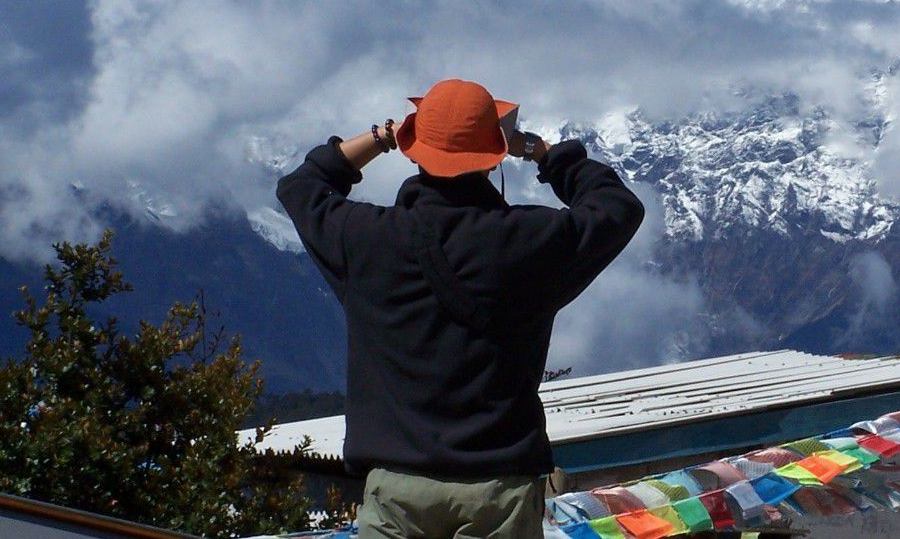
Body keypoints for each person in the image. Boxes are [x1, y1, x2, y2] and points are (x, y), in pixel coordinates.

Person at [276, 78, 646, 539]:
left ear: (413, 148)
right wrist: (540, 151)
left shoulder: (363, 238)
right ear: (494, 157)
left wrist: (384, 136)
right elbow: (617, 207)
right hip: (499, 489)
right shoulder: (532, 241)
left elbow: (301, 186)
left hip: (396, 487)